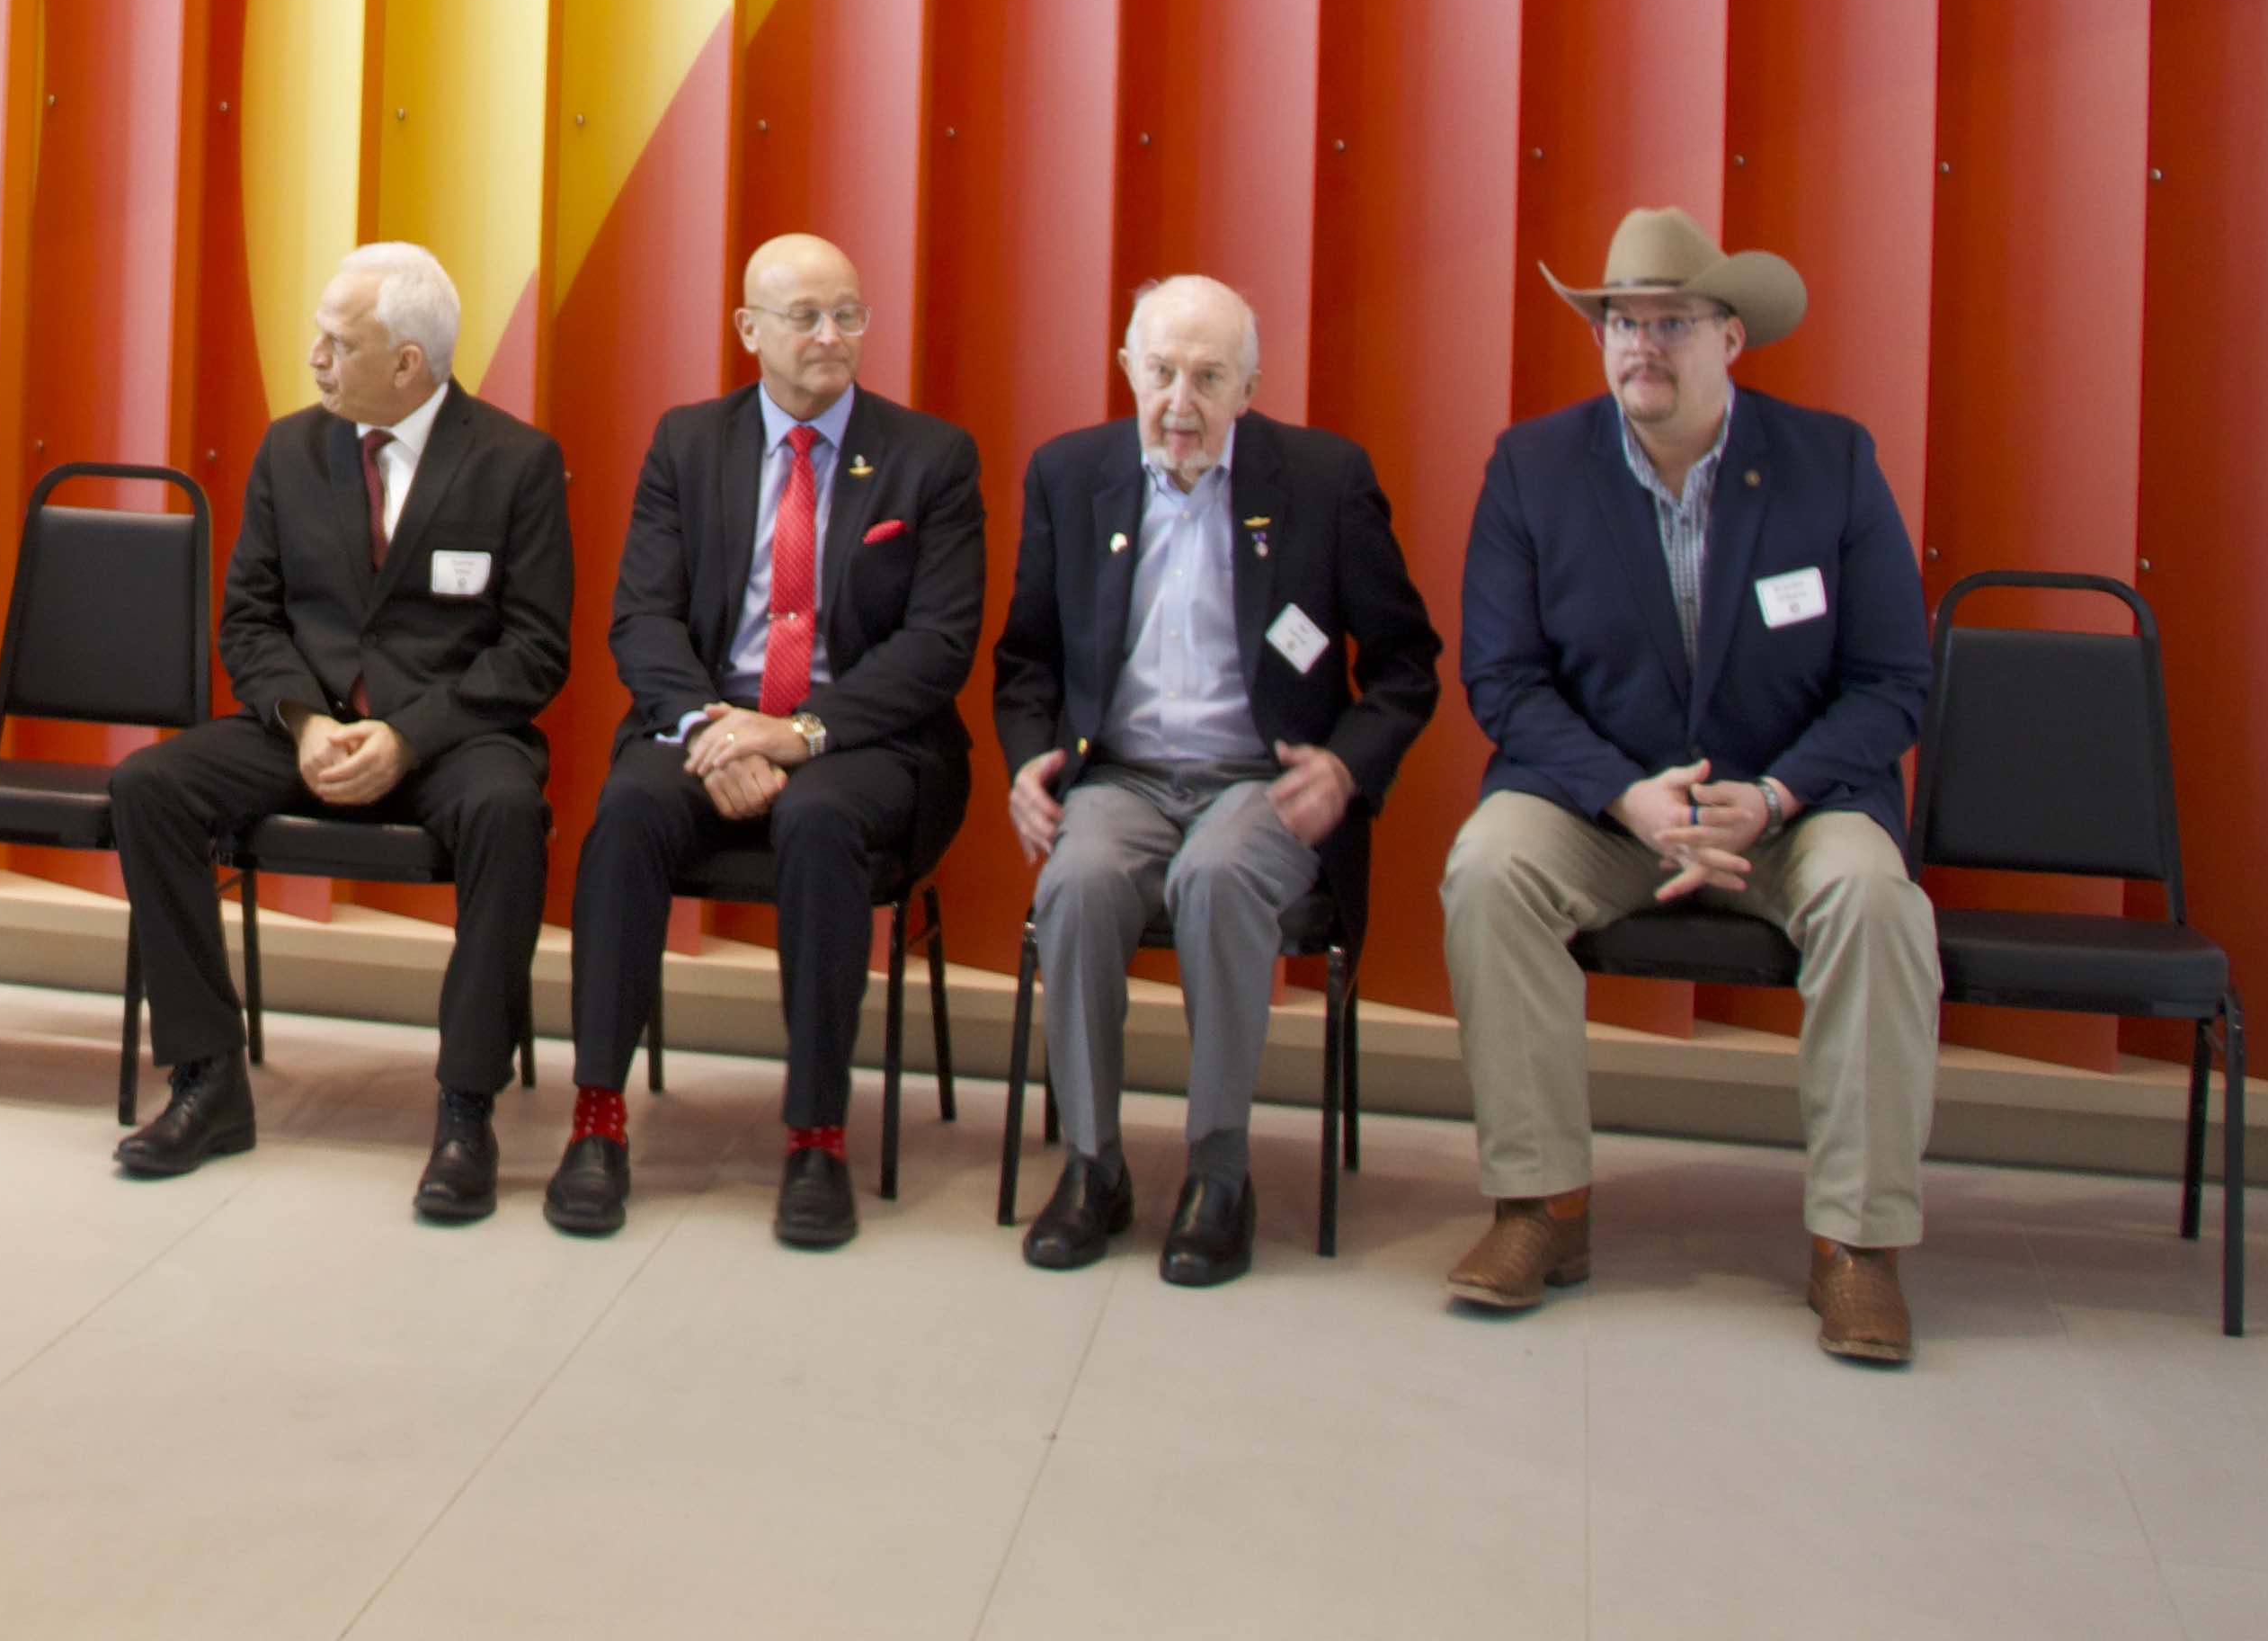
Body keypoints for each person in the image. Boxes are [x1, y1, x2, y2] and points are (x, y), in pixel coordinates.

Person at [1440, 208, 1936, 1364]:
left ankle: (1856, 1247)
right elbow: (1503, 679)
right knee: (1490, 867)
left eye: (1669, 322)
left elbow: (1890, 681)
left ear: (1731, 339)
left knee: (1875, 900)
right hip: (1602, 803)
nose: (1639, 347)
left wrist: (1770, 799)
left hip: (1791, 806)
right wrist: (1630, 797)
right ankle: (1540, 1210)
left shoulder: (1833, 463)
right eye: (1620, 320)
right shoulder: (1534, 466)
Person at [105, 242, 572, 1224]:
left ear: (408, 361)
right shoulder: (289, 448)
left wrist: (405, 736)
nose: (314, 357)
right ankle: (207, 1079)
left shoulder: (517, 463)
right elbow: (250, 620)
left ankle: (464, 1109)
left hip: (450, 735)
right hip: (304, 725)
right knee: (152, 785)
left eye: (337, 341)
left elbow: (533, 652)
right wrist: (305, 718)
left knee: (506, 810)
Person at [989, 274, 1439, 1285]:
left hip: (1260, 776)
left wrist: (1348, 765)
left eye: (1207, 377)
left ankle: (1218, 1169)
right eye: (1159, 373)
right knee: (1077, 882)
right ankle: (1094, 1165)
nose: (1179, 404)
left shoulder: (1322, 481)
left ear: (1251, 386)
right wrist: (1030, 764)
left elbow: (1407, 664)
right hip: (1124, 775)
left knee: (1218, 878)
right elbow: (1027, 662)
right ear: (1126, 371)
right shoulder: (1070, 474)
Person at [544, 235, 980, 1249]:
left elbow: (937, 647)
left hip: (866, 732)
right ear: (749, 331)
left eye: (850, 313)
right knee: (630, 807)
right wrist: (712, 731)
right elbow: (641, 620)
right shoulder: (689, 442)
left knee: (822, 823)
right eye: (806, 316)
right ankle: (597, 1117)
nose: (833, 336)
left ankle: (816, 1135)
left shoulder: (929, 457)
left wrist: (796, 734)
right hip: (711, 715)